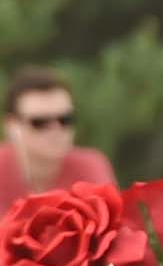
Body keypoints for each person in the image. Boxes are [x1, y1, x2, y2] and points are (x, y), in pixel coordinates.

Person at [0, 66, 116, 214]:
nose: (56, 130)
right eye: (39, 122)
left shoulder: (91, 166)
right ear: (12, 127)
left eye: (65, 120)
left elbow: (113, 229)